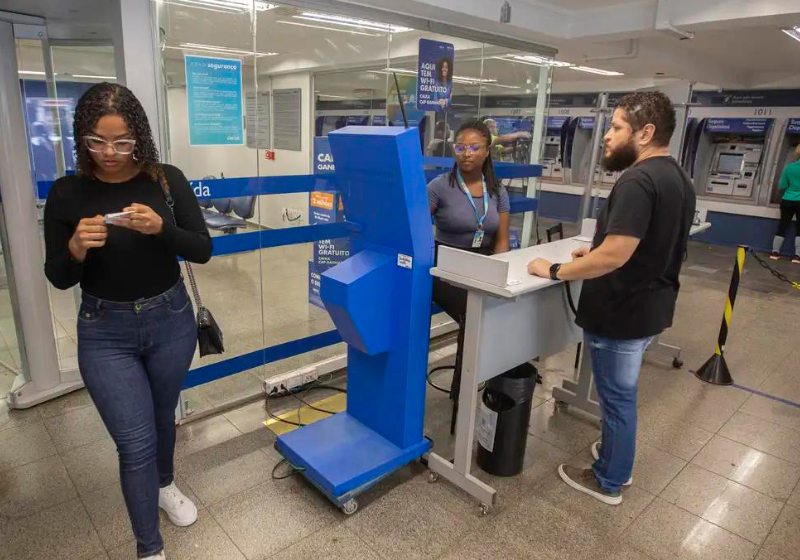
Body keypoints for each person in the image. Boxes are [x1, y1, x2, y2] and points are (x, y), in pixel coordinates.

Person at [44, 83, 212, 560]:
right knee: (134, 441)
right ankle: (149, 550)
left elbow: (202, 249)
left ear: (138, 136)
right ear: (82, 137)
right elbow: (58, 276)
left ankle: (164, 484)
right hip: (104, 331)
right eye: (97, 141)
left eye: (122, 142)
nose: (110, 153)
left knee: (162, 416)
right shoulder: (67, 193)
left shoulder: (165, 180)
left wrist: (163, 229)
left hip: (171, 319)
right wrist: (75, 248)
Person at [528, 91, 696, 506]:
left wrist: (554, 270)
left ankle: (609, 479)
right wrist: (598, 250)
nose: (606, 135)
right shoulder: (676, 177)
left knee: (618, 399)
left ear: (646, 132)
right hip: (648, 306)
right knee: (621, 396)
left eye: (617, 126)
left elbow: (617, 255)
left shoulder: (638, 180)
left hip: (622, 312)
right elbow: (645, 244)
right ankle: (615, 458)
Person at [428, 119, 510, 428]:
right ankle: (461, 397)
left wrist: (501, 276)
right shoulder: (439, 187)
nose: (467, 154)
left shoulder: (497, 190)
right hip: (445, 266)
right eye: (460, 147)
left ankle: (492, 383)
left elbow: (501, 240)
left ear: (487, 151)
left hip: (483, 263)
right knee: (475, 314)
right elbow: (416, 230)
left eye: (474, 147)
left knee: (502, 309)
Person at [770, 143, 800, 263]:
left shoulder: (789, 167)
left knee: (782, 225)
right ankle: (798, 256)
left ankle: (775, 252)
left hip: (787, 200)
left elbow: (782, 185)